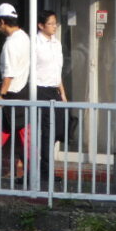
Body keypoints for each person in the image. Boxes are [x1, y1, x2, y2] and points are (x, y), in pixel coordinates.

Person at [0, 3, 30, 181]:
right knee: (23, 136)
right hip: (24, 91)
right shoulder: (24, 37)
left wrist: (0, 96)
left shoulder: (10, 44)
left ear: (1, 21)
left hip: (11, 94)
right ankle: (29, 171)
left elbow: (8, 74)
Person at [33, 10, 68, 188]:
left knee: (57, 131)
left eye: (56, 23)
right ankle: (45, 171)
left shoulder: (56, 43)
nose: (54, 26)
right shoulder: (35, 44)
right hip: (40, 89)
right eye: (51, 23)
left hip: (54, 90)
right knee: (47, 131)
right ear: (41, 25)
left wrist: (62, 93)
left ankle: (44, 166)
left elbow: (57, 71)